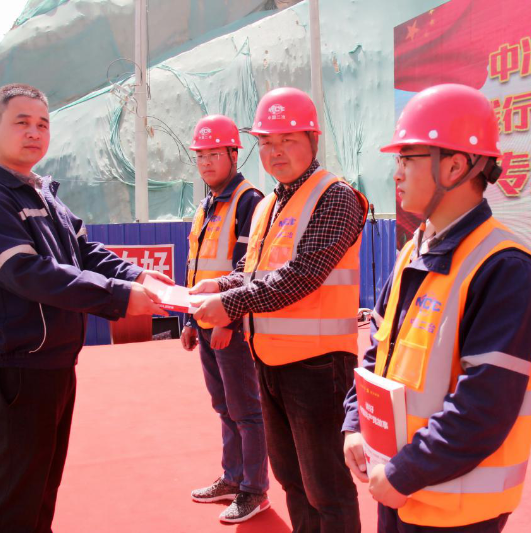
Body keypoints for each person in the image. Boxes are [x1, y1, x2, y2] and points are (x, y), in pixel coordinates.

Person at [0, 83, 172, 533]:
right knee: (15, 504)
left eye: (42, 124)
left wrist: (137, 276)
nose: (34, 133)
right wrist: (119, 297)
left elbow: (85, 253)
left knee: (41, 495)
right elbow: (30, 274)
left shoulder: (41, 194)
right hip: (16, 369)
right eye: (22, 123)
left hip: (53, 366)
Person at [341, 84, 531, 532]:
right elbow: (378, 351)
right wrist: (356, 422)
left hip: (454, 508)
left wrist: (404, 473)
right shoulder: (414, 250)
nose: (397, 173)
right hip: (400, 486)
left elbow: (484, 405)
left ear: (455, 166)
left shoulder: (505, 269)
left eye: (408, 158)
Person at [192, 87, 368, 533]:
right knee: (292, 482)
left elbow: (302, 274)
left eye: (288, 140)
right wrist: (221, 284)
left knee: (327, 488)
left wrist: (228, 303)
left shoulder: (335, 197)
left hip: (318, 366)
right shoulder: (270, 203)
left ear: (313, 139)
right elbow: (255, 271)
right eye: (267, 142)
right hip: (269, 360)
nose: (275, 152)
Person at [180, 114, 269, 523]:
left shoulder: (249, 201)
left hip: (231, 325)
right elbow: (196, 266)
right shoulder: (207, 205)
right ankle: (233, 478)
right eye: (200, 155)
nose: (206, 162)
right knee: (224, 406)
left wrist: (227, 321)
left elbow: (246, 268)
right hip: (204, 321)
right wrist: (189, 320)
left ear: (235, 154)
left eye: (214, 154)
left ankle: (254, 489)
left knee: (246, 409)